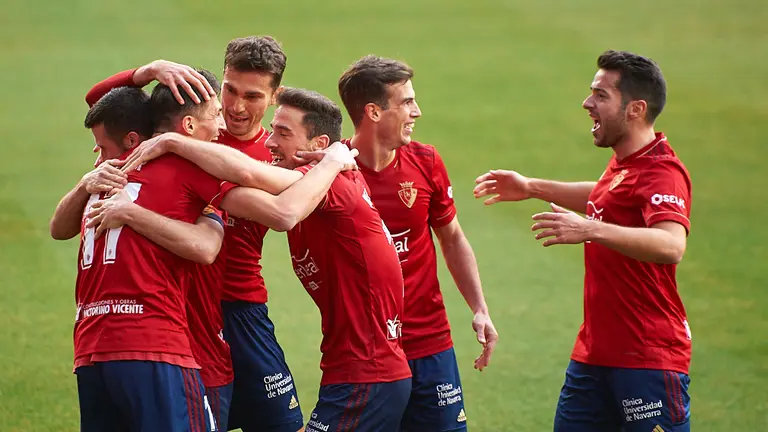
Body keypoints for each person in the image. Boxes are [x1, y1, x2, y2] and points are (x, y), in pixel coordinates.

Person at [122, 87, 412, 432]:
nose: (270, 143)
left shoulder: (330, 182)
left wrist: (173, 143)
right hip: (357, 371)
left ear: (318, 146)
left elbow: (265, 192)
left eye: (283, 134)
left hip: (368, 373)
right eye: (273, 129)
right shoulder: (320, 181)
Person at [82, 36, 306, 431]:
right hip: (180, 300)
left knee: (280, 422)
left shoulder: (269, 153)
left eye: (252, 96)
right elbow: (101, 104)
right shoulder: (195, 120)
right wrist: (146, 72)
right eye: (229, 90)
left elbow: (289, 199)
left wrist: (338, 160)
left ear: (275, 97)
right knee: (201, 413)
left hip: (241, 300)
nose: (235, 108)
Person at [474, 50, 692, 432]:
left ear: (635, 109)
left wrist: (589, 229)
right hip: (594, 354)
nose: (587, 103)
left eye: (601, 95)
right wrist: (530, 187)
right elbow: (607, 195)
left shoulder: (663, 171)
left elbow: (671, 245)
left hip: (646, 357)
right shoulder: (627, 163)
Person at [337, 55, 498, 431]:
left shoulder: (426, 162)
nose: (417, 111)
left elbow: (453, 237)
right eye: (406, 102)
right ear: (374, 112)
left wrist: (479, 308)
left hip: (430, 343)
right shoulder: (332, 170)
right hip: (365, 351)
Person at [65, 85, 221, 432]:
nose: (97, 156)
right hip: (153, 347)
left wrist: (144, 73)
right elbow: (208, 247)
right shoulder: (185, 171)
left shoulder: (101, 181)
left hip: (91, 351)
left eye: (101, 147)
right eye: (217, 114)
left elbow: (58, 227)